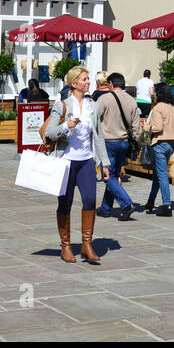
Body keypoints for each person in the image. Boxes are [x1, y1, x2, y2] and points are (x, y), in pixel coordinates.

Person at [43, 65, 109, 263]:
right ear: (74, 84)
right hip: (66, 161)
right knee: (65, 202)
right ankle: (66, 246)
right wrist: (66, 126)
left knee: (89, 200)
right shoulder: (62, 105)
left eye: (88, 79)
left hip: (87, 160)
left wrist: (104, 163)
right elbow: (49, 133)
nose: (88, 82)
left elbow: (98, 137)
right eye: (84, 79)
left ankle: (87, 245)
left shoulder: (93, 106)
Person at [96, 72, 143, 221]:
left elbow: (94, 118)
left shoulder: (104, 99)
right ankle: (105, 208)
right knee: (114, 175)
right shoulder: (131, 100)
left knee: (107, 176)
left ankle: (127, 204)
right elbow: (137, 126)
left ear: (110, 83)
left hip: (108, 141)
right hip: (124, 143)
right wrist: (138, 142)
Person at [142, 83, 174, 217]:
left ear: (159, 93)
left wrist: (146, 127)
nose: (153, 94)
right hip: (171, 144)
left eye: (155, 92)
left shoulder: (158, 108)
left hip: (159, 143)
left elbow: (157, 127)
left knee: (162, 174)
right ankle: (151, 201)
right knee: (158, 175)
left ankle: (166, 205)